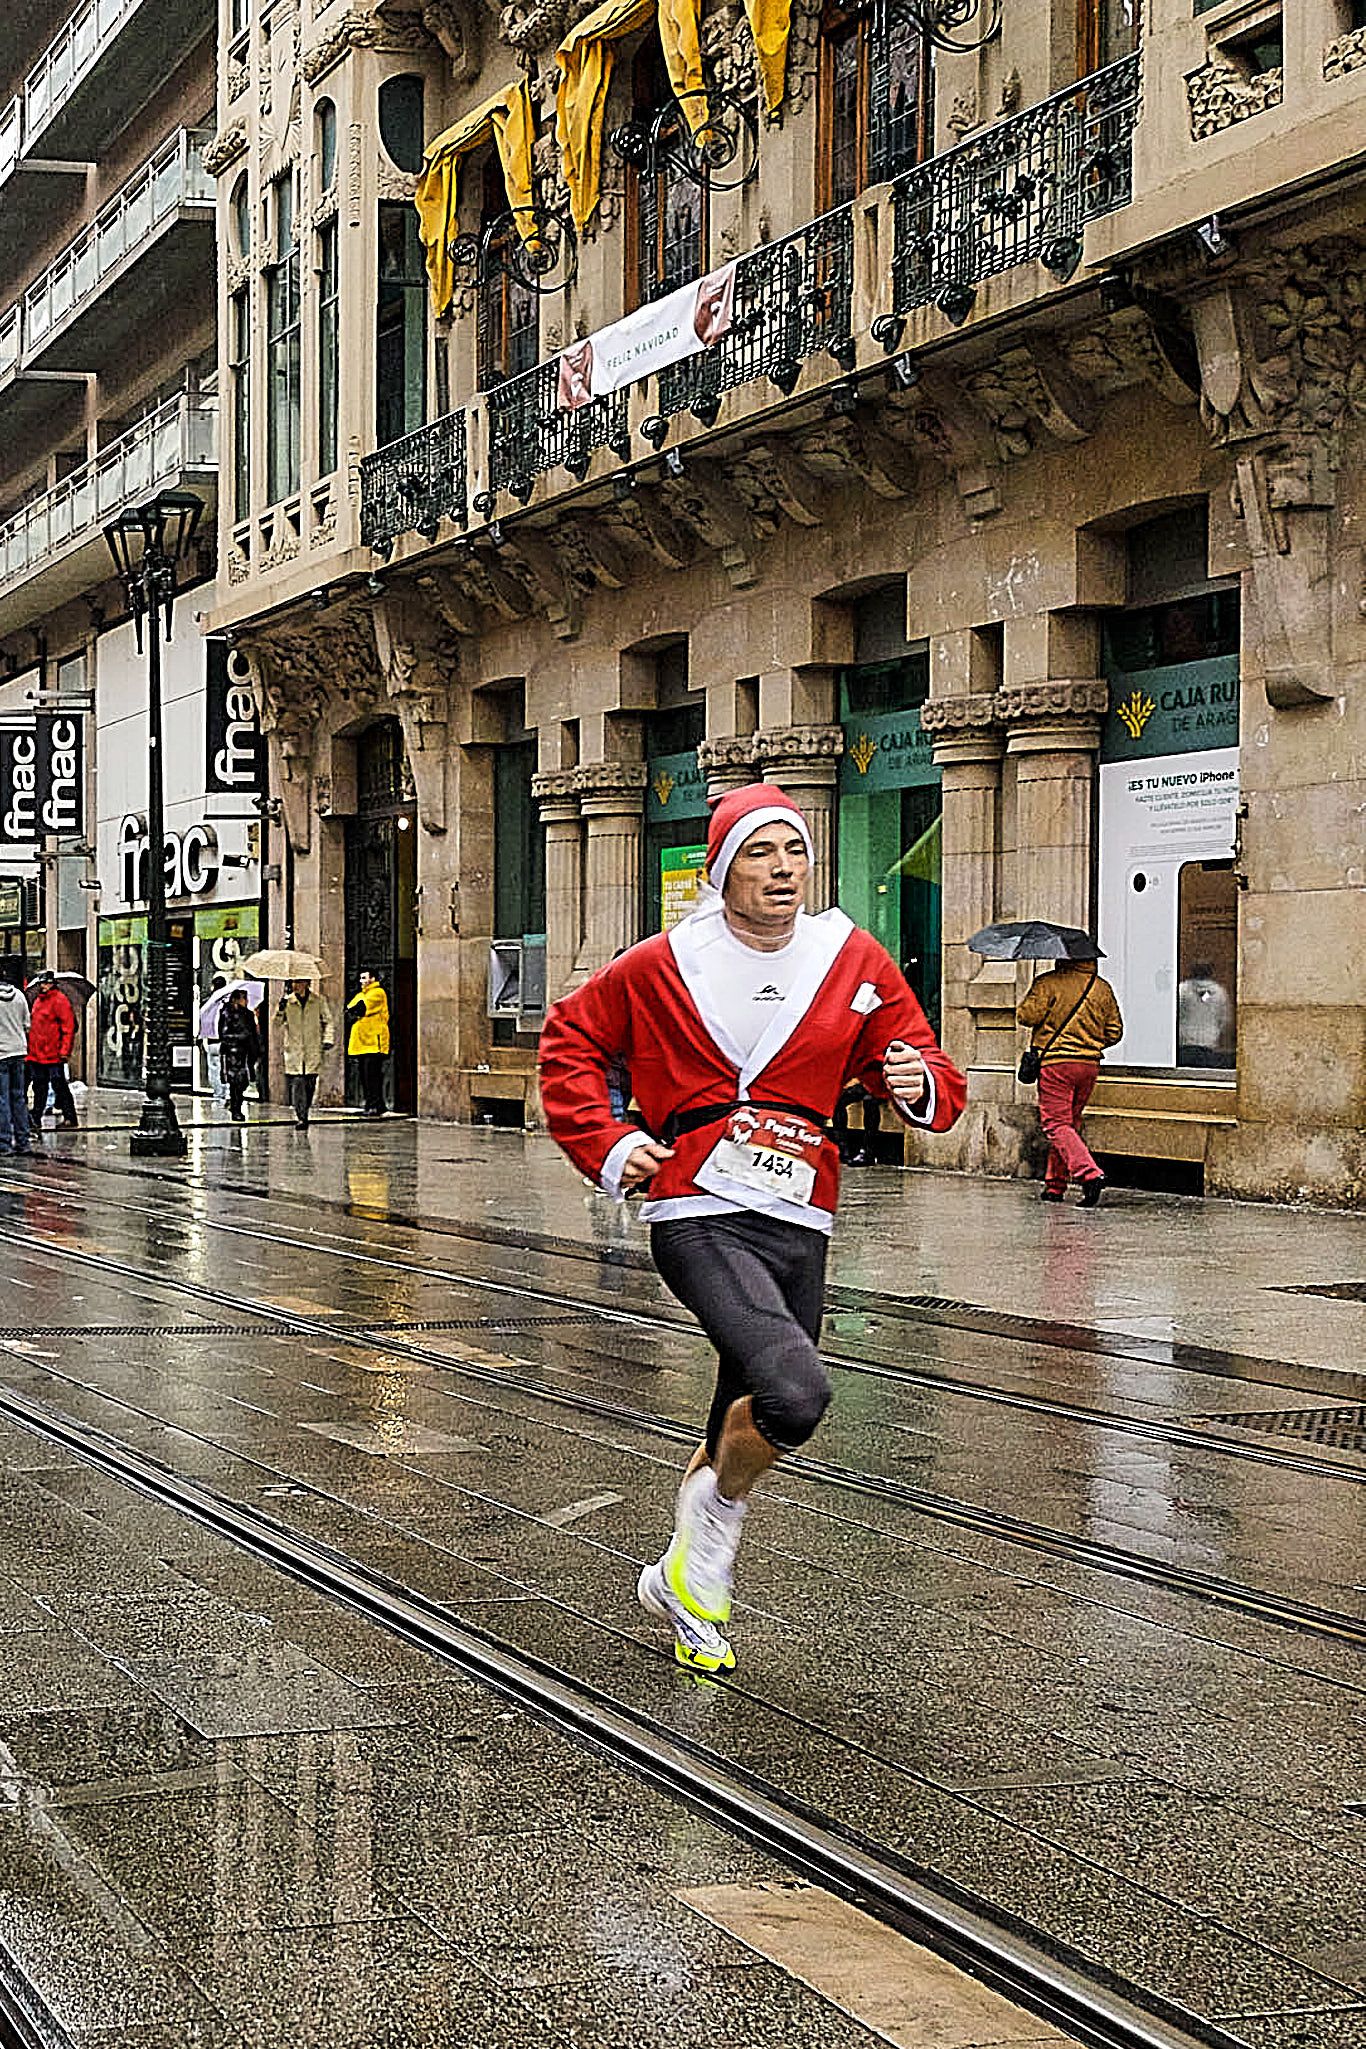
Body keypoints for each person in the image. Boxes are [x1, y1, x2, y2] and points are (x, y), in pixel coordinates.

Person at [539, 782, 966, 1673]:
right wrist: (612, 1144)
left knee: (744, 1398)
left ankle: (684, 1584)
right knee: (794, 1392)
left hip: (798, 1211)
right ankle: (713, 1529)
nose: (783, 870)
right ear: (723, 870)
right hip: (697, 1206)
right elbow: (571, 1038)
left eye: (795, 852)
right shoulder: (663, 961)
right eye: (761, 855)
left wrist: (914, 1079)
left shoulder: (849, 955)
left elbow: (924, 1058)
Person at [1017, 956, 1123, 1206]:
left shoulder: (1048, 983)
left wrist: (1035, 990)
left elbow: (1026, 1016)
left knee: (1055, 1124)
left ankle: (1090, 1175)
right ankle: (1055, 1185)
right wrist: (1088, 1044)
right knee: (1068, 1126)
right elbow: (1114, 1032)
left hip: (1056, 1064)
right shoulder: (1102, 988)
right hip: (1088, 1066)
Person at [277, 978, 335, 1129]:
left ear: (306, 984)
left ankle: (305, 1111)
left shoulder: (318, 1001)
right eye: (293, 983)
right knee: (298, 1084)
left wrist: (328, 1039)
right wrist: (280, 1010)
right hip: (294, 1050)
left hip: (312, 1048)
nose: (295, 986)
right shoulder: (287, 1002)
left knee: (310, 1084)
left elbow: (328, 1021)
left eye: (298, 982)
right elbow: (276, 1024)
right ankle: (301, 1117)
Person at [26, 971, 78, 1129]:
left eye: (47, 983)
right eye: (42, 983)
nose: (44, 986)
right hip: (37, 1053)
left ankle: (70, 1117)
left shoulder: (60, 1000)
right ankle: (36, 1117)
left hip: (53, 1053)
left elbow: (68, 1028)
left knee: (59, 1085)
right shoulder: (38, 1001)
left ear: (52, 984)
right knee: (39, 1086)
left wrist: (64, 1051)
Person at [347, 970, 390, 1117]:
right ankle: (374, 1104)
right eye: (360, 978)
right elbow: (349, 1010)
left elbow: (360, 1008)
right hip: (361, 1042)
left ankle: (375, 1105)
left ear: (373, 979)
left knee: (372, 1075)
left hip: (373, 1041)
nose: (361, 981)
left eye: (364, 977)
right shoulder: (361, 995)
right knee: (365, 1076)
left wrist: (355, 1009)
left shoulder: (378, 993)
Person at [0, 965, 31, 1156]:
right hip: (18, 1052)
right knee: (18, 1098)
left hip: (1, 1054)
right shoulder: (19, 995)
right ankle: (23, 1141)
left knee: (2, 1099)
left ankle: (4, 1143)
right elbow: (27, 1025)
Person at [217, 987, 261, 1123]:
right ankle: (236, 1109)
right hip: (233, 1053)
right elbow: (224, 1034)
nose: (246, 1001)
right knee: (235, 1082)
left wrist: (255, 1048)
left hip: (245, 1053)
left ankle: (235, 1105)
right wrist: (242, 1037)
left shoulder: (248, 1014)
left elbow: (253, 1033)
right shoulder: (226, 1013)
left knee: (243, 1082)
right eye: (244, 998)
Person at [1177, 961, 1231, 1070]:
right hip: (1209, 1047)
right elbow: (1225, 1021)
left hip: (1184, 1047)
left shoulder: (1181, 990)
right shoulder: (1220, 992)